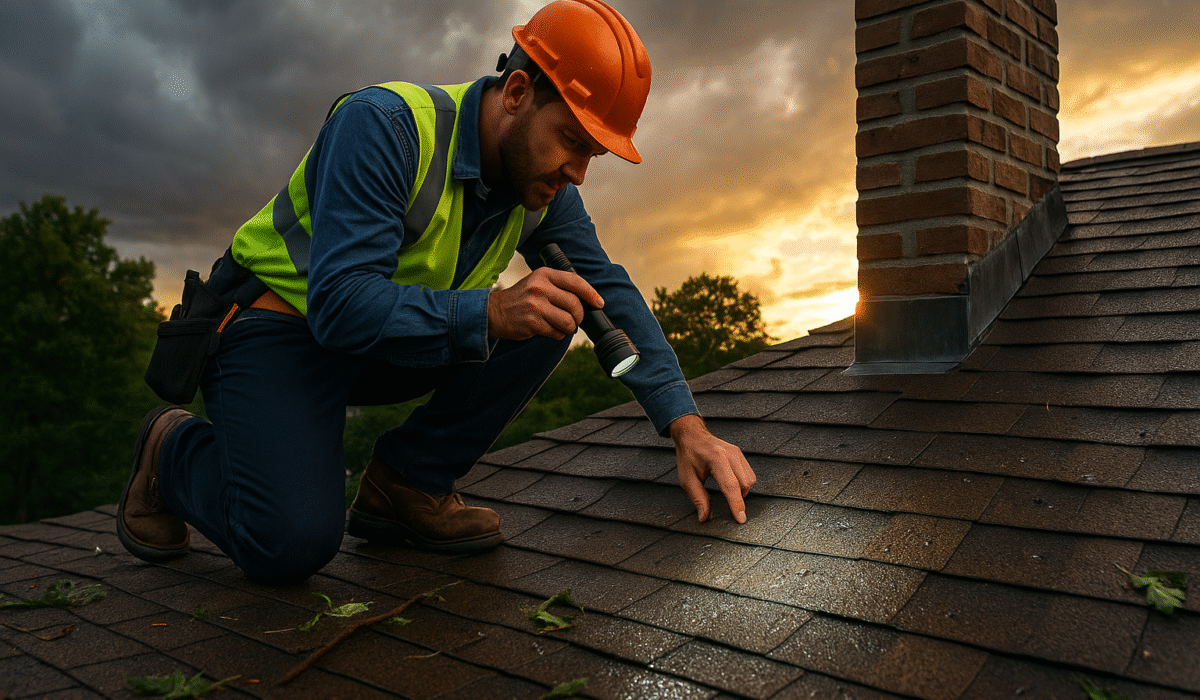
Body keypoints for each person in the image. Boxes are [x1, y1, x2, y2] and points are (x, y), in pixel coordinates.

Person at [118, 0, 756, 585]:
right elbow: (340, 306)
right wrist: (493, 309)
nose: (578, 172)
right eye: (571, 140)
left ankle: (407, 484)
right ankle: (169, 449)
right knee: (288, 545)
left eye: (593, 155)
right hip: (276, 333)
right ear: (515, 92)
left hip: (381, 342)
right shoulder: (384, 128)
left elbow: (608, 293)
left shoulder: (544, 191)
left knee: (563, 307)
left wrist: (685, 424)